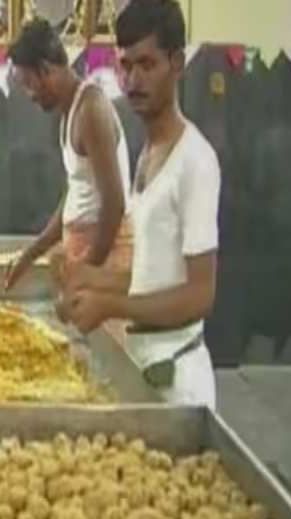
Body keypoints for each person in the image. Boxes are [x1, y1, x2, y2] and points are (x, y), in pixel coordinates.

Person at [62, 0, 221, 409]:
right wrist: (92, 278)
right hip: (144, 362)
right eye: (125, 65)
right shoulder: (148, 152)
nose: (132, 80)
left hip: (179, 377)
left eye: (147, 65)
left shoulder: (195, 161)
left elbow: (199, 294)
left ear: (178, 63)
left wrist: (110, 304)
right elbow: (155, 275)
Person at [3, 18, 132, 291]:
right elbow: (76, 196)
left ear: (46, 70)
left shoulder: (91, 110)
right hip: (86, 257)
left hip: (104, 261)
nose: (29, 95)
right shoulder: (70, 113)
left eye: (28, 82)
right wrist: (29, 255)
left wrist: (87, 272)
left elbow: (114, 204)